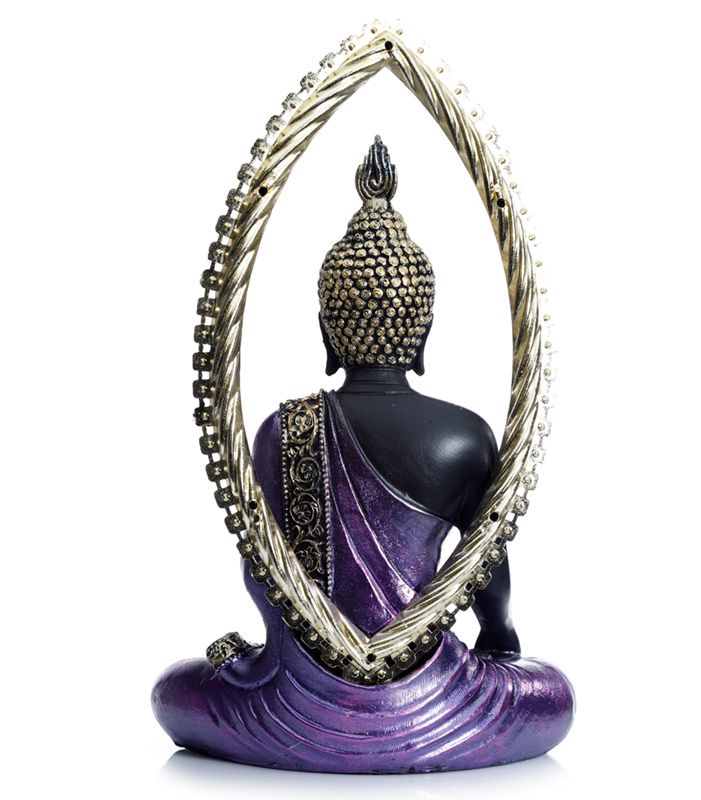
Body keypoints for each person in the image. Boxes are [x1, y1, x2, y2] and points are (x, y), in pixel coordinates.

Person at [152, 137, 574, 773]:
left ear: (328, 331)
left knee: (175, 692)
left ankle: (313, 735)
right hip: (438, 703)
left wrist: (272, 653)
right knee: (552, 698)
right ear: (422, 332)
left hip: (292, 707)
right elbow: (489, 571)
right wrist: (501, 637)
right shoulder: (463, 438)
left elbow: (260, 577)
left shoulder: (281, 431)